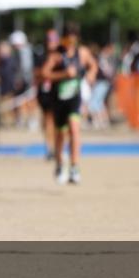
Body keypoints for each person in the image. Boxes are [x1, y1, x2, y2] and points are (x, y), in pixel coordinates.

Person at [42, 23, 98, 184]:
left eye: (73, 41)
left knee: (74, 129)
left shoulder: (82, 53)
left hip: (75, 97)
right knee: (60, 134)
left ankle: (74, 166)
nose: (70, 44)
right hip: (58, 99)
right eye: (67, 40)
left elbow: (93, 65)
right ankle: (60, 163)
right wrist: (63, 74)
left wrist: (91, 75)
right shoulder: (56, 55)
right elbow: (45, 73)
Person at [33, 29, 59, 160]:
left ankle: (57, 147)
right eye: (49, 40)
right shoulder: (41, 56)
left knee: (57, 121)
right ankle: (49, 147)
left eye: (53, 40)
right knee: (48, 119)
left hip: (58, 91)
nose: (51, 43)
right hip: (44, 92)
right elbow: (36, 73)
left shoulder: (61, 56)